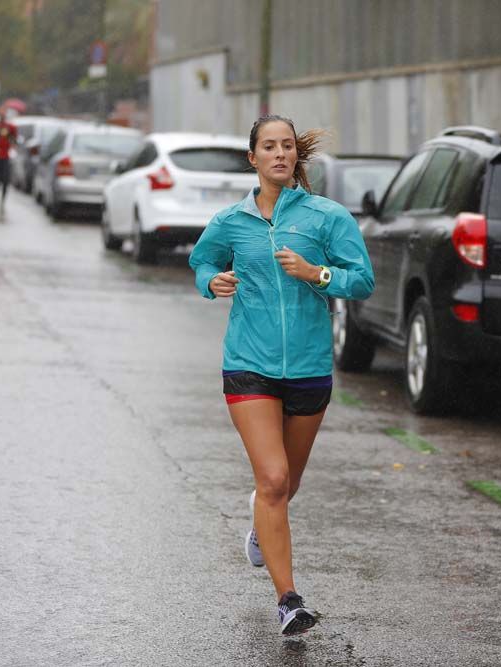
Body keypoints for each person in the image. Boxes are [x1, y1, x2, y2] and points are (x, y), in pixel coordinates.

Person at [188, 114, 374, 636]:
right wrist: (213, 281)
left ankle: (260, 522)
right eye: (268, 147)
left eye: (287, 146)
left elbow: (362, 281)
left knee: (284, 485)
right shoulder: (230, 222)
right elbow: (200, 263)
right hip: (249, 364)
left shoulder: (327, 217)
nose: (279, 154)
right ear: (253, 158)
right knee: (272, 479)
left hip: (310, 369)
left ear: (296, 156)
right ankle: (289, 600)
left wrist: (317, 273)